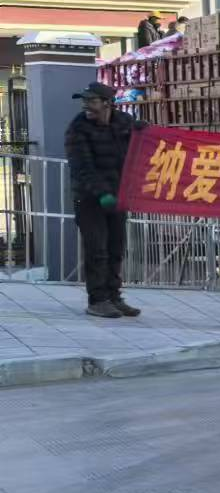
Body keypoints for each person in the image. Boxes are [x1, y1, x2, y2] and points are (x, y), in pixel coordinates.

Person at [64, 81, 144, 319]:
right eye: (84, 101)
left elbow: (141, 141)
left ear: (108, 103)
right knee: (97, 249)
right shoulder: (78, 128)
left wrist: (146, 131)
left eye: (92, 101)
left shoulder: (123, 122)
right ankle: (97, 300)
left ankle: (114, 297)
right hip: (89, 199)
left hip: (117, 197)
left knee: (115, 248)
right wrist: (101, 193)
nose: (86, 106)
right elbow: (82, 167)